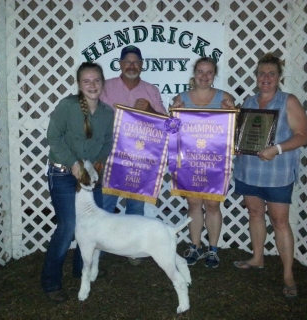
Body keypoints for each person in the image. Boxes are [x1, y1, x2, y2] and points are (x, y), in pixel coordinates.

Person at [233, 53, 307, 298]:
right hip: (249, 169)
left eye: (271, 74)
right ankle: (257, 258)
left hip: (277, 173)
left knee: (280, 222)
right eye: (262, 73)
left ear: (279, 77)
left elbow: (302, 136)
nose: (266, 78)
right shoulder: (249, 100)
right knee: (254, 213)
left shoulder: (289, 101)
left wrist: (276, 149)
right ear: (256, 76)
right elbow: (242, 133)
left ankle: (288, 274)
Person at [41, 62, 114, 302]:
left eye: (96, 81)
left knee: (93, 224)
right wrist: (73, 163)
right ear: (79, 84)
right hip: (62, 173)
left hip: (90, 176)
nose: (92, 85)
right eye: (87, 81)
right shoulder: (68, 106)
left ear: (102, 83)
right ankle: (51, 282)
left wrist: (97, 164)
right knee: (68, 226)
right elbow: (53, 136)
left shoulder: (107, 112)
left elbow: (107, 143)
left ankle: (80, 270)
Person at [99, 45, 167, 266]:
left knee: (135, 208)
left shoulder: (151, 91)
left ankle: (133, 249)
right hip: (111, 157)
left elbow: (168, 125)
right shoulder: (106, 87)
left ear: (142, 65)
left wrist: (150, 109)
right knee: (105, 205)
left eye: (136, 62)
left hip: (140, 159)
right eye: (127, 61)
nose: (131, 65)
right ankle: (100, 250)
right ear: (119, 64)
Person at [171, 57, 235, 268]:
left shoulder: (224, 98)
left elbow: (234, 131)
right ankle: (195, 246)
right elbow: (170, 132)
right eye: (200, 72)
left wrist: (233, 110)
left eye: (209, 72)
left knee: (212, 205)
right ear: (194, 73)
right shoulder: (181, 98)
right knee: (194, 204)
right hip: (190, 161)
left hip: (214, 161)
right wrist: (174, 112)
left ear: (214, 74)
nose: (204, 76)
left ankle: (213, 249)